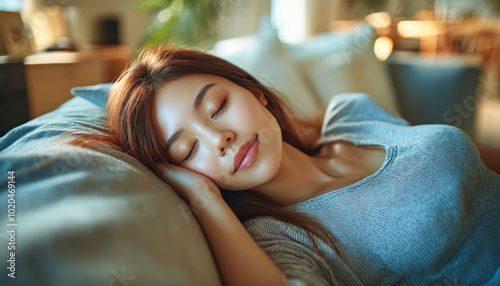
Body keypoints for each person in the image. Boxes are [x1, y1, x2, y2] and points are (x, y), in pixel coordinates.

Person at [72, 46, 500, 286]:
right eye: (187, 150)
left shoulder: (351, 114)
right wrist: (205, 199)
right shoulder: (280, 236)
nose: (218, 139)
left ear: (254, 92)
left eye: (218, 106)